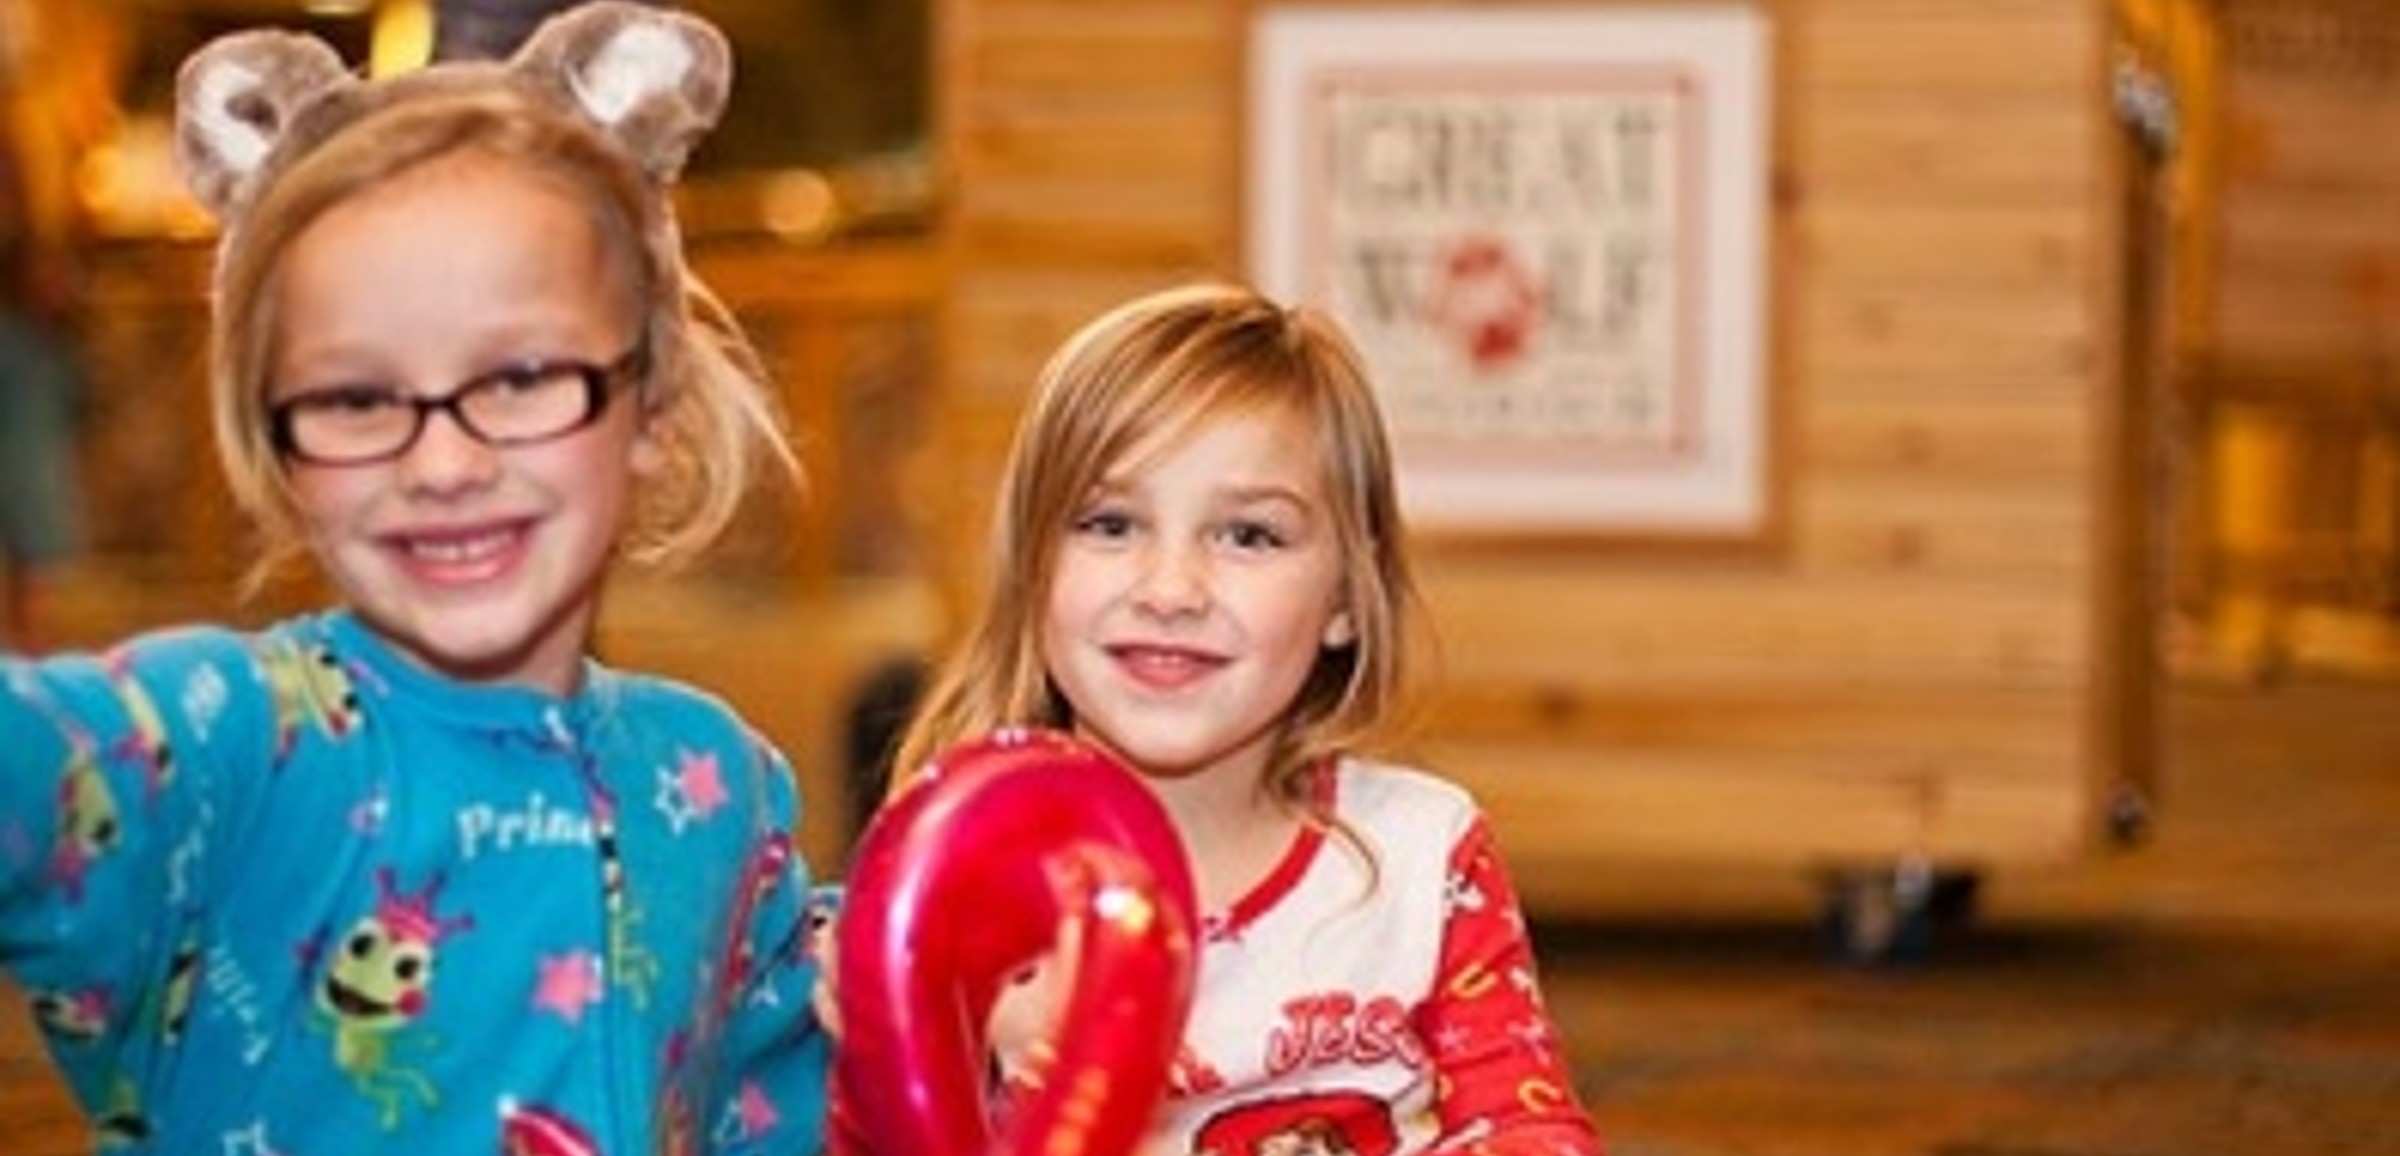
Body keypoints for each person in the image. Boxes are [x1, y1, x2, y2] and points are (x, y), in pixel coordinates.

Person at [0, 4, 831, 1151]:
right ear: (275, 441)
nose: (443, 459)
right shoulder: (230, 740)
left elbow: (818, 1096)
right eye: (355, 399)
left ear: (650, 397)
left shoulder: (718, 783)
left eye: (523, 375)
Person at [879, 283, 1602, 1154]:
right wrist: (1017, 1059)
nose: (1171, 589)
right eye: (1110, 524)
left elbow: (1528, 1128)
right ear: (1031, 569)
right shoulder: (960, 882)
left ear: (1345, 597)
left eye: (1249, 536)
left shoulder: (1424, 850)